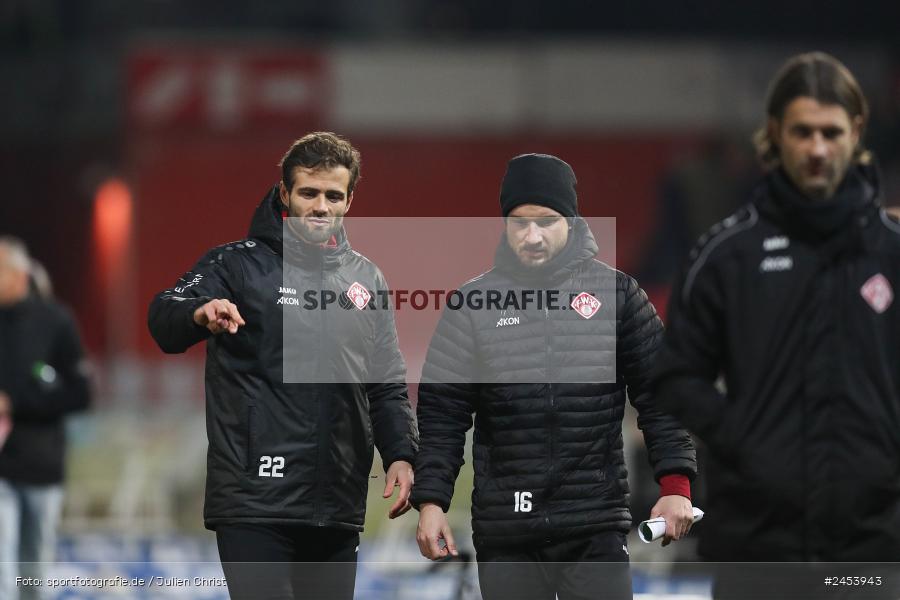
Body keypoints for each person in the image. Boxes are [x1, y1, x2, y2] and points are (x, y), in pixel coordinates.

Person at [651, 52, 900, 598]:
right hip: (756, 549)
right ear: (774, 134)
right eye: (802, 131)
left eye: (831, 132)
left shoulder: (891, 253)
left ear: (856, 132)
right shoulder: (726, 256)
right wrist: (747, 438)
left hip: (873, 551)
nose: (817, 149)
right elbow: (675, 380)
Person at [411, 153, 697, 600]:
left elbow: (662, 395)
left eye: (546, 221)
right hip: (507, 532)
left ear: (572, 220)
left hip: (595, 526)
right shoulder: (472, 304)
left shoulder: (618, 295)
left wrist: (676, 485)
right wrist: (431, 503)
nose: (532, 235)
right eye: (519, 222)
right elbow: (442, 416)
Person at [147, 132, 418, 600]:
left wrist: (401, 454)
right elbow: (162, 314)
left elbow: (385, 384)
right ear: (285, 194)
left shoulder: (367, 279)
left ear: (349, 201)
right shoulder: (234, 266)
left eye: (333, 195)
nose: (320, 206)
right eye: (309, 192)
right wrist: (199, 313)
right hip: (254, 501)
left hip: (336, 501)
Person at [0, 236, 91, 600]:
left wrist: (16, 404)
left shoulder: (56, 321)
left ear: (20, 276)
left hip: (41, 465)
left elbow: (80, 394)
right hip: (1, 469)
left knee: (34, 568)